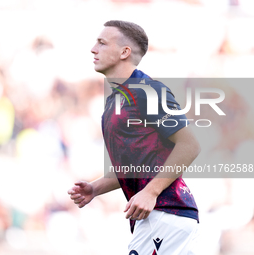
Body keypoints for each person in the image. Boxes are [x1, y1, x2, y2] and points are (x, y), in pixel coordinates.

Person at [68, 20, 200, 255]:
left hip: (167, 212)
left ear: (124, 52)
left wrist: (151, 192)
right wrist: (95, 188)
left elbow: (190, 144)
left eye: (102, 42)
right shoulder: (115, 100)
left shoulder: (146, 90)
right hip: (158, 216)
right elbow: (135, 166)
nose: (93, 49)